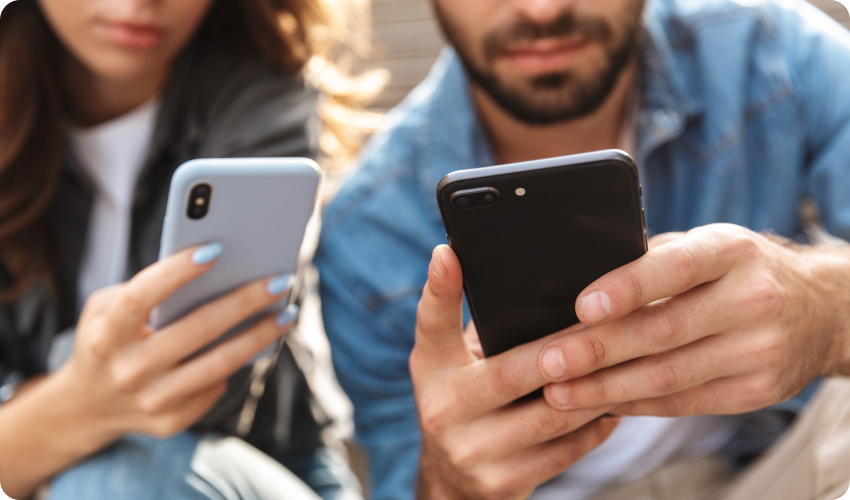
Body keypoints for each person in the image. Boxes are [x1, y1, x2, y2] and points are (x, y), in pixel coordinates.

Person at [315, 0, 850, 499]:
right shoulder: (367, 231)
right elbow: (402, 479)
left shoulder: (769, 49)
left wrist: (822, 310)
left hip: (775, 469)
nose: (541, 10)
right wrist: (451, 481)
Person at [0, 0, 374, 498]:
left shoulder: (265, 96)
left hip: (264, 465)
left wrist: (41, 406)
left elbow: (196, 396)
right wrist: (79, 396)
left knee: (114, 482)